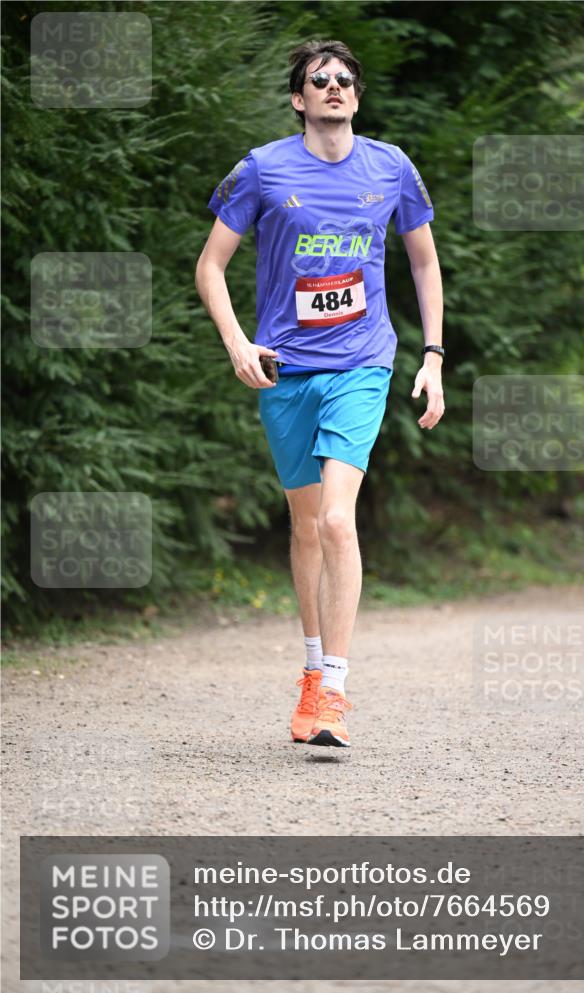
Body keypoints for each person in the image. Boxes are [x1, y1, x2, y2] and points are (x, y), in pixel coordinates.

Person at [195, 39, 444, 748]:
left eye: (344, 80)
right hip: (286, 372)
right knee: (304, 527)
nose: (334, 87)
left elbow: (423, 264)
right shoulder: (263, 170)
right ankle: (309, 675)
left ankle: (333, 689)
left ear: (356, 98)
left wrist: (432, 355)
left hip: (363, 364)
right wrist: (238, 343)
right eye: (319, 80)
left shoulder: (390, 167)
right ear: (300, 99)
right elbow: (210, 267)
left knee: (337, 521)